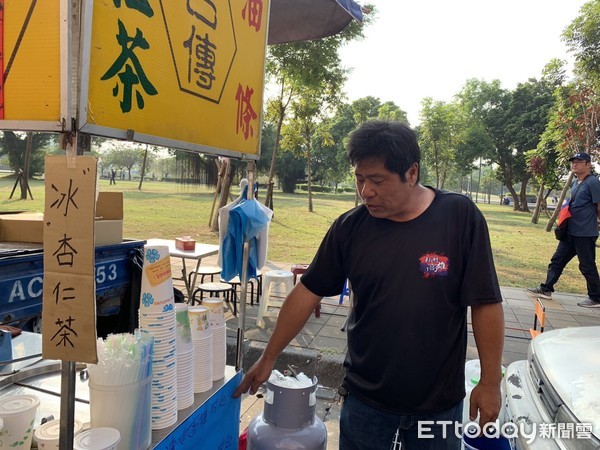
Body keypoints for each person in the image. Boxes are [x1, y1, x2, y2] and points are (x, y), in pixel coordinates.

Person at [233, 121, 505, 449]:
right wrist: (269, 356)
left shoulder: (460, 217)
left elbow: (486, 302)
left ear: (412, 173)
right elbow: (307, 292)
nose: (366, 192)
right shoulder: (350, 228)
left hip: (437, 403)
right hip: (366, 400)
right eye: (360, 179)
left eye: (377, 180)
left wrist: (491, 381)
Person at [527, 152, 600, 308]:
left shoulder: (593, 182)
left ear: (588, 164)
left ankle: (596, 297)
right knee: (557, 260)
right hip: (570, 232)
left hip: (585, 233)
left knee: (587, 265)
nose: (574, 164)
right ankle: (546, 288)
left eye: (579, 162)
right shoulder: (575, 182)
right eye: (573, 162)